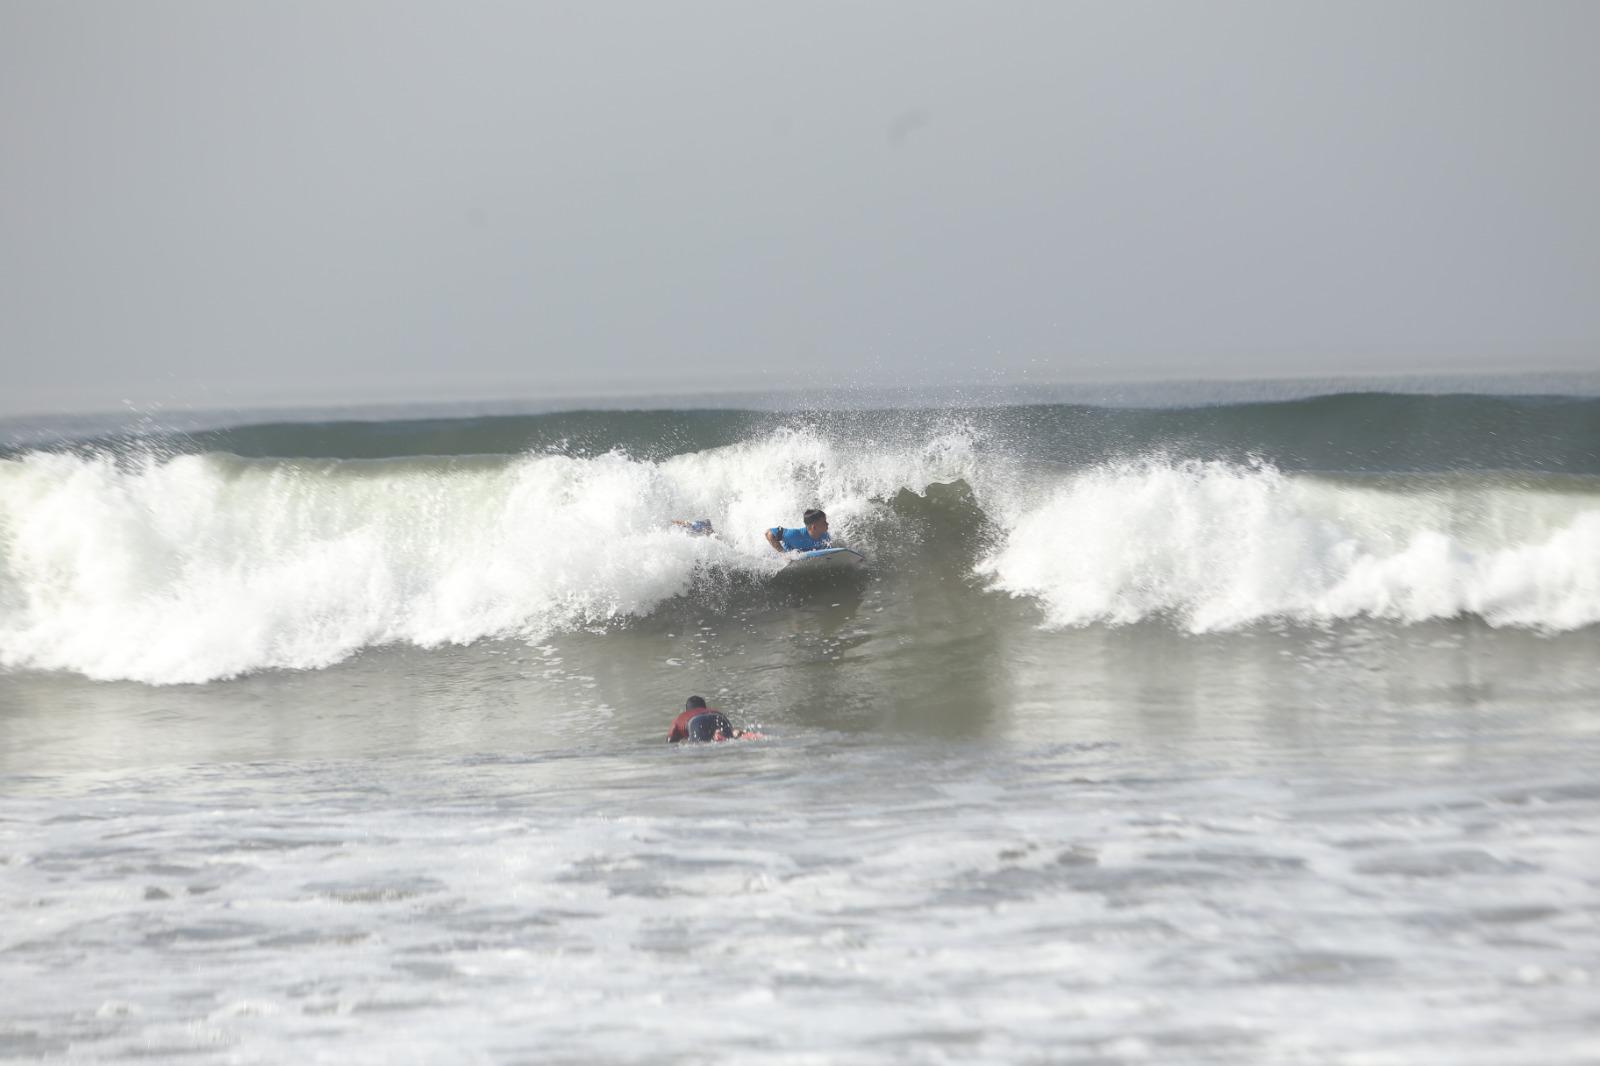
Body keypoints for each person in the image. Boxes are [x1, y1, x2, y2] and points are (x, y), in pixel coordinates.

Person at [667, 695, 760, 743]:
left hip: (695, 722)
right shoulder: (711, 710)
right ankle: (745, 734)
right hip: (718, 716)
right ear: (704, 707)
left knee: (700, 749)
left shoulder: (682, 716)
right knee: (730, 738)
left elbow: (670, 741)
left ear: (687, 710)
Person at [765, 508, 832, 553]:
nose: (827, 524)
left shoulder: (825, 535)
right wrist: (783, 554)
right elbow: (768, 533)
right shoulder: (794, 535)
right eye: (824, 522)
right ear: (814, 527)